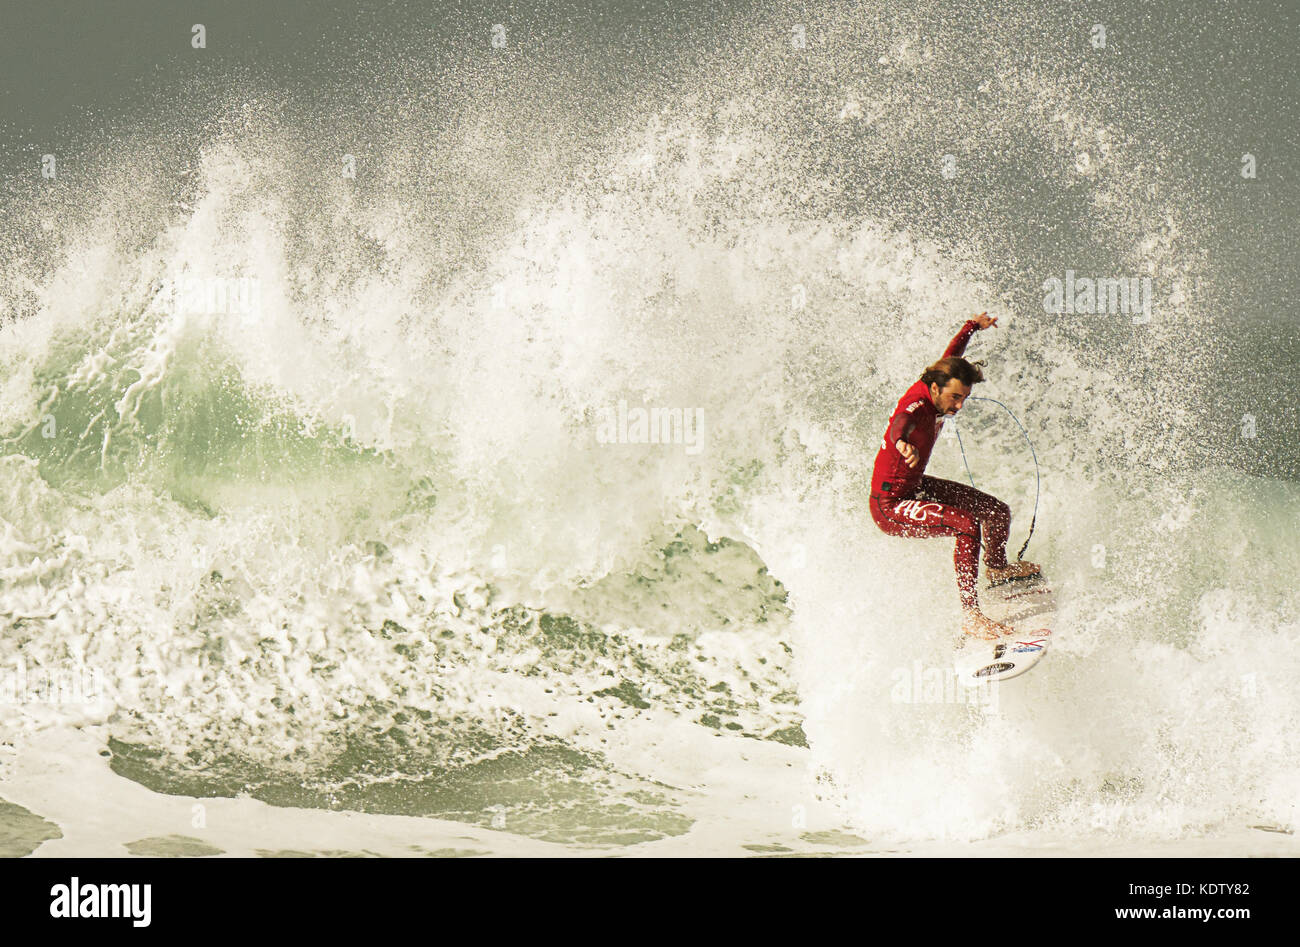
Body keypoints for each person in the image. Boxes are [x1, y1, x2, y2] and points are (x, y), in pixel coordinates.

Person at [869, 312, 1040, 639]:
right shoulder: (916, 406)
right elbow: (899, 424)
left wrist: (971, 327)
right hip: (890, 506)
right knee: (966, 525)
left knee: (996, 512)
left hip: (915, 489)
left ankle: (999, 570)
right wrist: (902, 443)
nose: (959, 406)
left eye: (964, 398)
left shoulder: (937, 379)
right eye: (955, 397)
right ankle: (971, 615)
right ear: (935, 389)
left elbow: (952, 357)